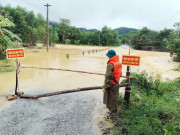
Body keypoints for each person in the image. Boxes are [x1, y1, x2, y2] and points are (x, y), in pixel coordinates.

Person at [103, 49, 122, 118]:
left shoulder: (111, 65)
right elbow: (120, 73)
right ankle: (114, 111)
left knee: (110, 100)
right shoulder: (119, 63)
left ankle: (112, 115)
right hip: (117, 84)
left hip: (111, 85)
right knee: (114, 98)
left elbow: (108, 77)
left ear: (110, 56)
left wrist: (105, 87)